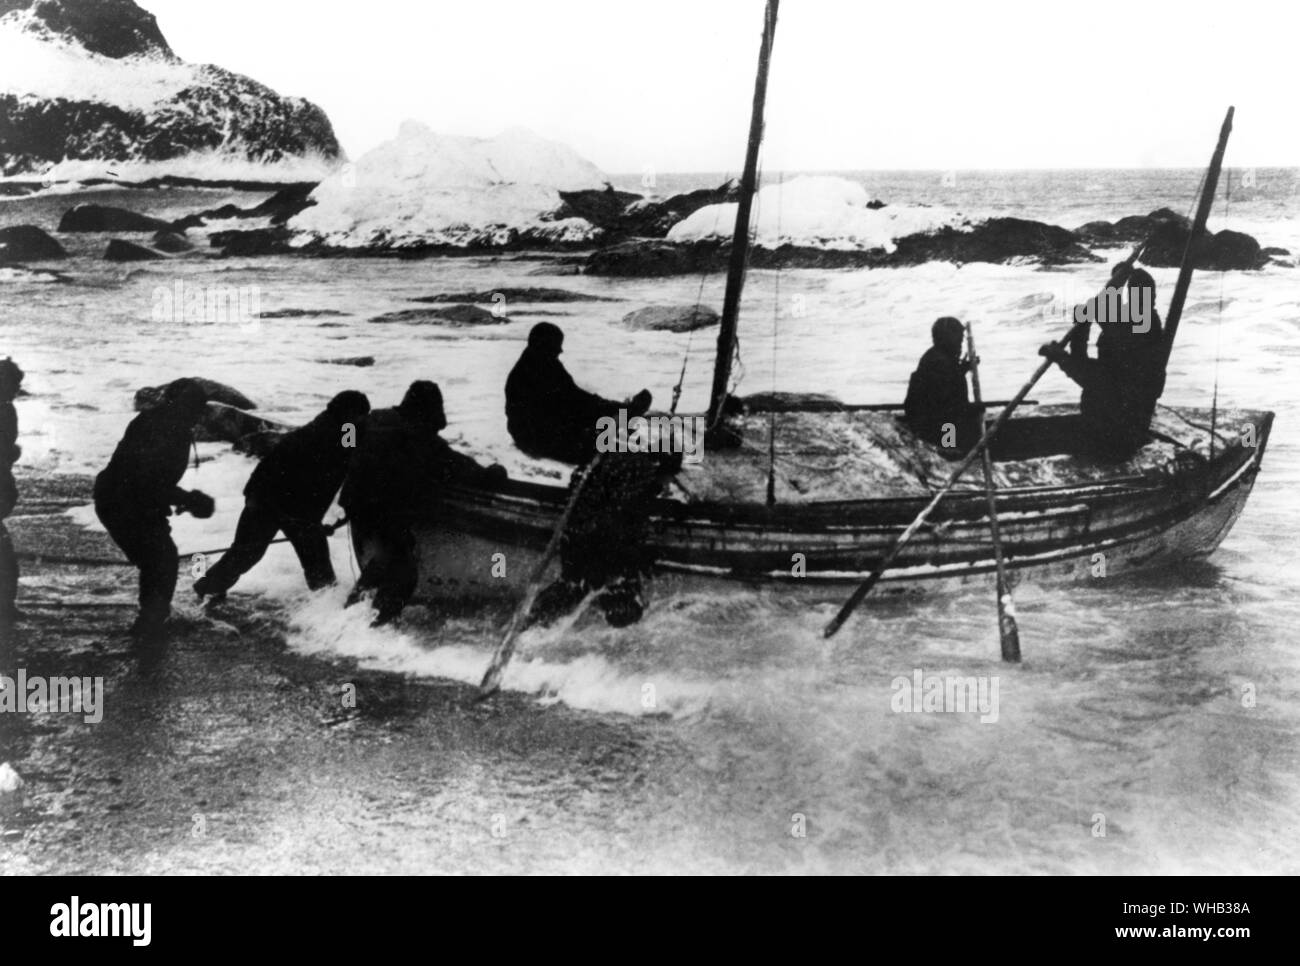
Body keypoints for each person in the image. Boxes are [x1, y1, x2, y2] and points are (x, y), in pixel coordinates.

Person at [341, 381, 505, 626]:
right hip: (384, 509)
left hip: (355, 502)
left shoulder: (372, 419)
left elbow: (346, 434)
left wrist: (352, 458)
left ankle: (346, 616)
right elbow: (455, 465)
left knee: (385, 558)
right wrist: (493, 474)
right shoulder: (420, 437)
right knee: (404, 573)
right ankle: (373, 629)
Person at [194, 390, 371, 603]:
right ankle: (330, 610)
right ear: (351, 414)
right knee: (315, 562)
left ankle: (208, 587)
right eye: (363, 415)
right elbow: (348, 457)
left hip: (265, 495)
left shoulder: (326, 426)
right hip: (286, 503)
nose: (365, 420)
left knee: (246, 554)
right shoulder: (344, 431)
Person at [94, 378, 215, 640]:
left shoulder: (169, 424)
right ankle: (150, 624)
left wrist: (183, 499)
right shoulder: (161, 428)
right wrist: (190, 499)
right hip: (120, 501)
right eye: (193, 407)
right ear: (176, 404)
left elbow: (153, 483)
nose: (197, 414)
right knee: (161, 559)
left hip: (130, 500)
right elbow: (145, 480)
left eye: (199, 408)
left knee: (158, 559)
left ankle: (153, 617)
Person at [529, 450, 681, 629]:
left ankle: (534, 619)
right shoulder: (639, 482)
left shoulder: (607, 463)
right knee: (601, 594)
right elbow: (624, 522)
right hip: (597, 544)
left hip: (580, 535)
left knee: (571, 584)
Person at [1037, 264, 1167, 461]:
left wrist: (1061, 357)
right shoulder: (1135, 318)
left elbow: (1092, 376)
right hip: (1107, 413)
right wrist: (1081, 328)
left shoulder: (1144, 325)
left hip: (1119, 426)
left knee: (1100, 382)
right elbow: (1104, 312)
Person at [505, 322, 652, 464]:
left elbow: (575, 400)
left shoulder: (538, 363)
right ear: (545, 346)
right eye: (557, 346)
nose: (560, 351)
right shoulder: (539, 370)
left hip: (536, 432)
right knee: (613, 447)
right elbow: (577, 401)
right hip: (537, 438)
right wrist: (618, 410)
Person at [902, 316, 980, 454]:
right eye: (959, 340)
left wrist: (962, 369)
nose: (960, 345)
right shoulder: (940, 363)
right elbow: (947, 407)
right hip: (937, 426)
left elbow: (947, 384)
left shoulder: (935, 356)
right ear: (948, 339)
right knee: (955, 419)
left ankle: (949, 445)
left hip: (928, 421)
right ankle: (949, 447)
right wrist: (972, 409)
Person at [0, 359, 22, 649]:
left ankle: (6, 607)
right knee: (6, 562)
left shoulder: (7, 409)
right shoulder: (5, 410)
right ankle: (5, 609)